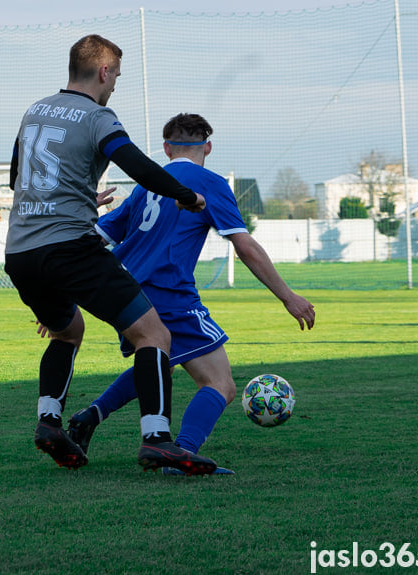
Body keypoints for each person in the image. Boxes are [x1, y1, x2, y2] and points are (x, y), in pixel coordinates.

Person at [4, 34, 217, 476]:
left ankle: (50, 422)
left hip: (21, 251)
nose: (116, 83)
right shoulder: (98, 116)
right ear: (103, 71)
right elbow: (136, 164)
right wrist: (186, 196)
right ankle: (158, 439)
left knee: (68, 332)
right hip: (70, 246)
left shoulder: (35, 110)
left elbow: (16, 177)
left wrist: (81, 196)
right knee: (153, 335)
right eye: (116, 74)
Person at [65, 113, 316, 474]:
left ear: (166, 148)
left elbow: (93, 241)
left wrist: (64, 298)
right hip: (168, 292)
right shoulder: (208, 182)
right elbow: (244, 246)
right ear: (207, 148)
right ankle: (180, 454)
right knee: (220, 383)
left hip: (125, 295)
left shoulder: (143, 186)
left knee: (156, 360)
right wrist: (288, 296)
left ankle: (90, 416)